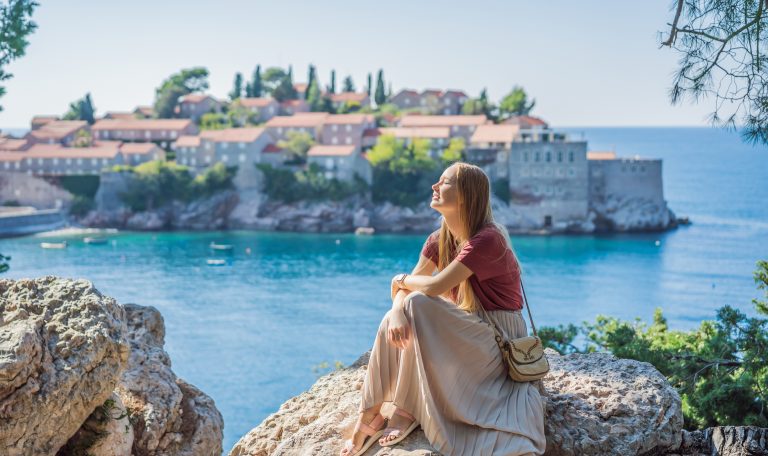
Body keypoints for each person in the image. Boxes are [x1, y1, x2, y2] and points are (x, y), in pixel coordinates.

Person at [339, 162, 546, 456]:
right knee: (399, 312)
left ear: (466, 195)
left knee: (417, 302)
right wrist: (398, 307)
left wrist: (398, 281)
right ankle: (370, 413)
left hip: (497, 340)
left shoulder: (488, 239)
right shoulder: (439, 241)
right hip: (466, 333)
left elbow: (431, 287)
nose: (435, 187)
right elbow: (409, 292)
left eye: (444, 182)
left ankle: (403, 411)